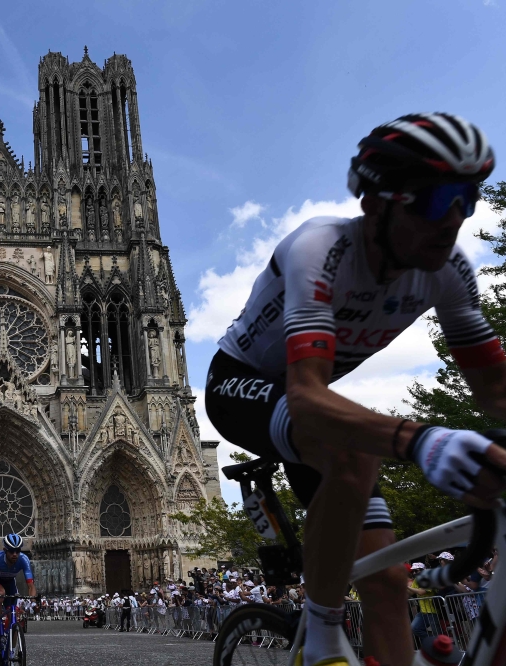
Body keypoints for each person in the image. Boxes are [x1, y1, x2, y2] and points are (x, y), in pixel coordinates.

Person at [206, 112, 506, 666]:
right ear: (378, 203)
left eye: (468, 197)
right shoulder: (320, 250)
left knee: (388, 582)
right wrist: (422, 440)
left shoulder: (449, 271)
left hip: (311, 409)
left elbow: (495, 389)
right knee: (354, 453)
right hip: (242, 385)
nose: (456, 219)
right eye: (438, 200)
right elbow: (306, 394)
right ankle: (321, 635)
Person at [0, 533, 37, 653]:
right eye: (11, 551)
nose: (15, 554)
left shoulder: (24, 559)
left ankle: (12, 650)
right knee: (1, 592)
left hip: (10, 583)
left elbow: (31, 585)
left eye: (17, 551)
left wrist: (33, 602)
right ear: (5, 550)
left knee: (14, 618)